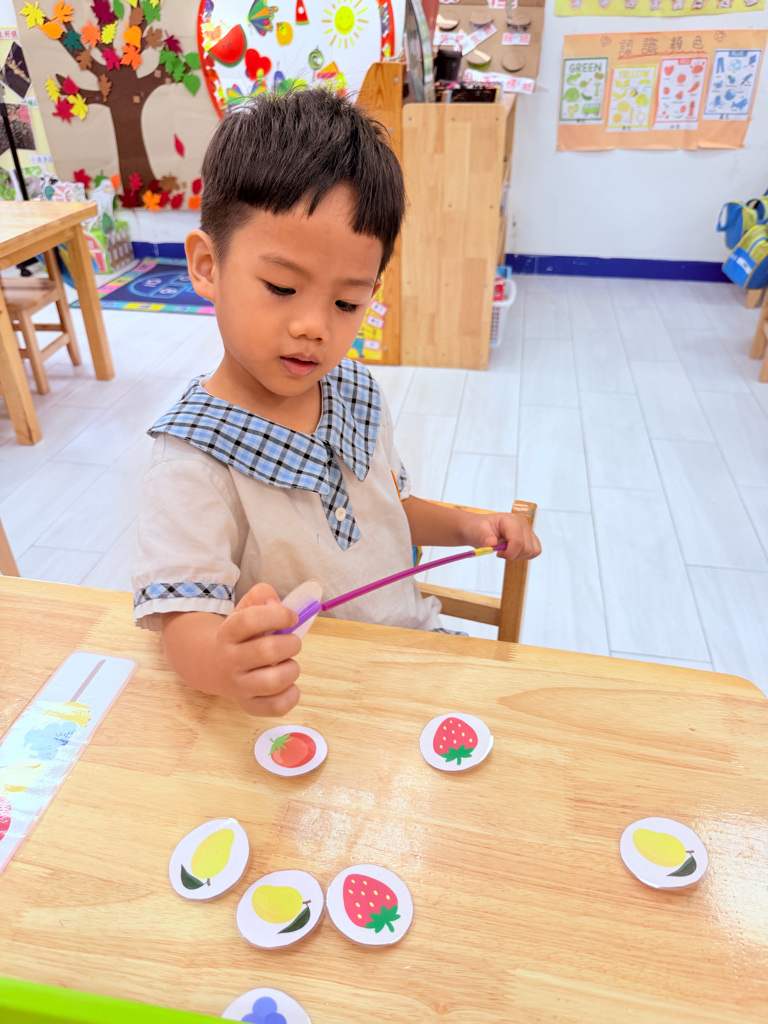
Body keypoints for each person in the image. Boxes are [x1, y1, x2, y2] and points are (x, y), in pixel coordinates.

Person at [132, 89, 540, 717]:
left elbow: (388, 510)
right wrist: (224, 663)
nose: (314, 327)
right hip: (307, 702)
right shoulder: (190, 463)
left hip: (410, 657)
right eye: (282, 287)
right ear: (208, 265)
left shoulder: (353, 388)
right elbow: (185, 625)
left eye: (348, 302)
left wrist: (468, 526)